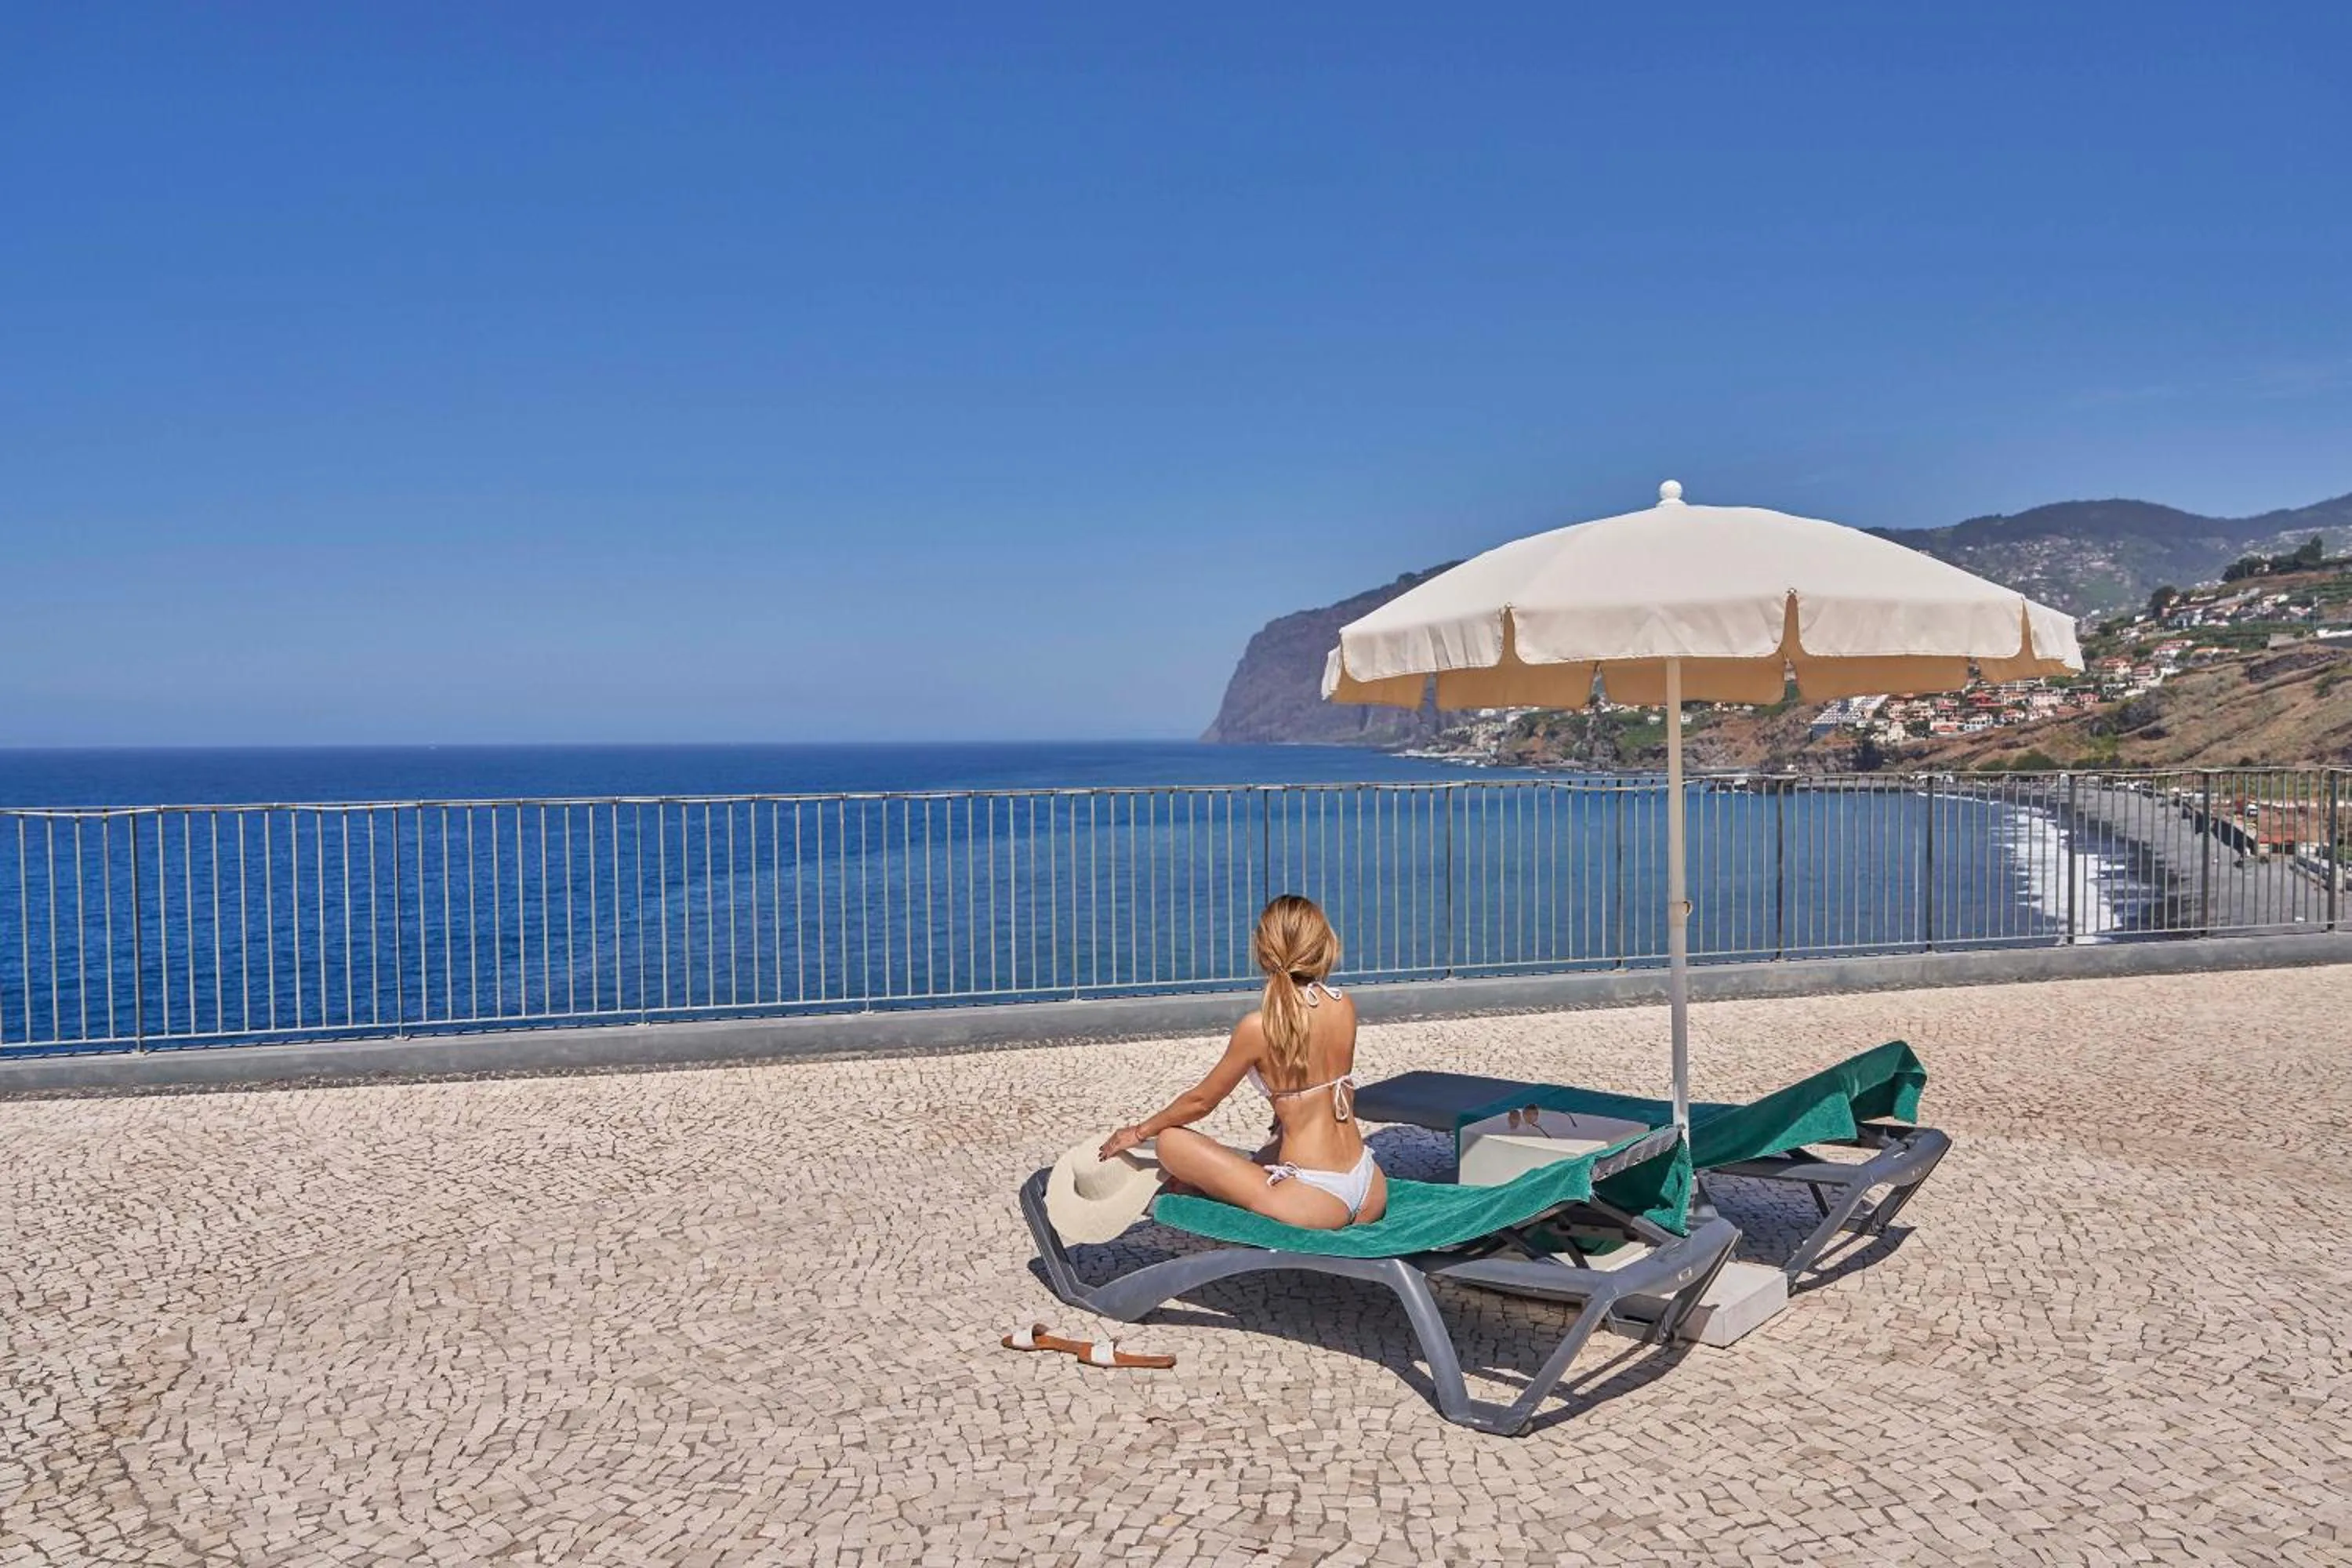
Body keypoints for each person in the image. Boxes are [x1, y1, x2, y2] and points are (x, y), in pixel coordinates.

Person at [1098, 895, 1387, 1229]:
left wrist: (1138, 1131)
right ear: (1324, 943)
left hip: (1314, 1201)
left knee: (1171, 1142)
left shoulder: (1259, 1027)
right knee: (1275, 1140)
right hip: (1368, 1187)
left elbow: (1201, 1101)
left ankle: (1208, 1188)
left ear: (1263, 950)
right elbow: (1315, 1092)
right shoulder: (1343, 1005)